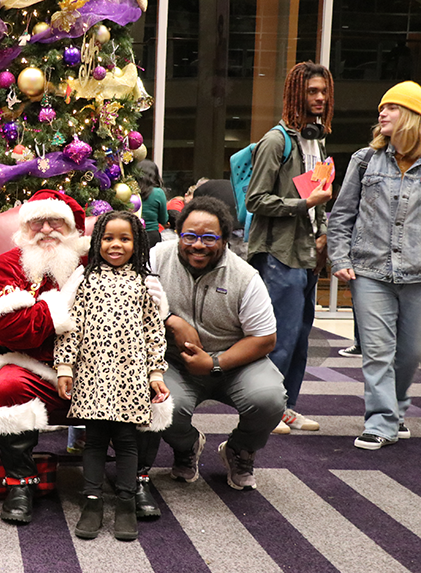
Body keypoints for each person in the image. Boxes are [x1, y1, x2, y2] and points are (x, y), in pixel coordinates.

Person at [150, 197, 286, 491]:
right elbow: (133, 300)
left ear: (224, 239)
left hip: (235, 362)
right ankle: (187, 446)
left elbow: (265, 338)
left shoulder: (244, 277)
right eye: (189, 236)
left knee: (269, 399)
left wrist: (214, 363)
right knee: (158, 401)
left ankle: (240, 449)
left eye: (209, 238)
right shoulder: (157, 258)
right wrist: (172, 320)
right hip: (175, 362)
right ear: (177, 232)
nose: (198, 245)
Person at [54, 210, 172, 541]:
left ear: (137, 243)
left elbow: (154, 332)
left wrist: (155, 373)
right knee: (94, 442)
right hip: (92, 374)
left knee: (126, 442)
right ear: (97, 242)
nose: (115, 245)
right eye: (108, 238)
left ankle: (125, 503)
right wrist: (65, 367)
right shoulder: (85, 279)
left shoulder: (146, 283)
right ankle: (91, 503)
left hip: (130, 377)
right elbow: (70, 328)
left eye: (124, 239)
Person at [0, 189, 88, 524]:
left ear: (72, 229)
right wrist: (59, 306)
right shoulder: (5, 266)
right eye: (38, 221)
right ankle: (20, 483)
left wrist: (40, 312)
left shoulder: (92, 264)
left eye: (56, 222)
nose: (47, 229)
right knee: (9, 386)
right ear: (24, 228)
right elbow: (11, 330)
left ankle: (127, 481)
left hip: (91, 370)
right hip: (30, 370)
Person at [328, 81, 421, 450]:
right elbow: (342, 214)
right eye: (382, 108)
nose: (382, 113)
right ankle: (380, 421)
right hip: (369, 271)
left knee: (411, 352)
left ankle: (396, 409)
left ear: (412, 116)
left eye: (392, 108)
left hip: (417, 273)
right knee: (378, 351)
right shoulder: (365, 160)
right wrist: (339, 257)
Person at [246, 61, 334, 434]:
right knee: (278, 336)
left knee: (300, 337)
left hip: (308, 253)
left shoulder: (318, 141)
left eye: (323, 92)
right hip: (279, 252)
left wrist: (324, 232)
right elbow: (256, 200)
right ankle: (266, 407)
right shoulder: (275, 141)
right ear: (296, 94)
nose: (319, 98)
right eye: (312, 91)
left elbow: (321, 199)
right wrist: (304, 205)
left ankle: (287, 406)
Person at [135, 160, 168, 250]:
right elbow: (164, 219)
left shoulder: (130, 192)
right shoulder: (158, 193)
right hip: (152, 235)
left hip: (132, 234)